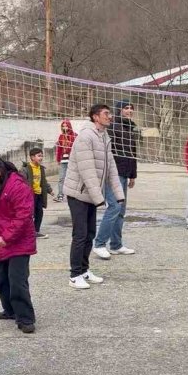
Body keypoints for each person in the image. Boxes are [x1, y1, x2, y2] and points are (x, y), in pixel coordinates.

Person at [63, 104, 126, 289]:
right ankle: (75, 275)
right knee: (80, 235)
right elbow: (87, 170)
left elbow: (111, 168)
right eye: (106, 114)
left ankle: (84, 270)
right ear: (95, 117)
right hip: (78, 193)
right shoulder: (86, 136)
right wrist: (99, 198)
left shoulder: (104, 136)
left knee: (90, 234)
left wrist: (118, 194)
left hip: (90, 195)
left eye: (110, 114)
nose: (110, 116)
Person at [0, 154, 37, 334]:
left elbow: (23, 216)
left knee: (17, 281)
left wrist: (7, 236)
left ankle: (26, 318)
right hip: (2, 243)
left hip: (19, 242)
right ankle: (10, 310)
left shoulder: (17, 186)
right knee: (2, 280)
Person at [93, 99, 140, 259]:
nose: (129, 110)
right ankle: (99, 244)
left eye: (131, 108)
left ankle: (116, 245)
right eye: (126, 108)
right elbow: (107, 152)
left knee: (121, 210)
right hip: (113, 174)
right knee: (114, 207)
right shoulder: (112, 127)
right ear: (119, 110)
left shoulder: (131, 128)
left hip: (125, 173)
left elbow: (133, 153)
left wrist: (132, 174)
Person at [20, 148, 53, 239]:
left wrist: (49, 190)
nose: (41, 158)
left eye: (42, 156)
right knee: (30, 214)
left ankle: (35, 231)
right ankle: (27, 231)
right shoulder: (25, 169)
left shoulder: (40, 168)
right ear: (32, 157)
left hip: (38, 194)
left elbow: (44, 181)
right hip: (30, 195)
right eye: (39, 156)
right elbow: (21, 182)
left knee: (39, 213)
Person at [54, 119, 77, 202]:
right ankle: (60, 195)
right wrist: (58, 159)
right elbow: (59, 149)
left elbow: (76, 148)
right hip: (63, 160)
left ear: (69, 126)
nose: (64, 127)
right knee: (61, 178)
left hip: (72, 160)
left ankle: (73, 195)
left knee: (72, 178)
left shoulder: (74, 135)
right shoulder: (61, 136)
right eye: (63, 126)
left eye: (66, 125)